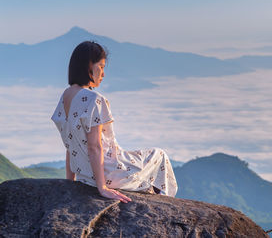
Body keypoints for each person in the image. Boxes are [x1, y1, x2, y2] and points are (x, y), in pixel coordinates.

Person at [51, 41, 178, 203]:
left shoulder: (65, 97)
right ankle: (163, 203)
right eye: (101, 67)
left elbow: (71, 145)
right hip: (109, 172)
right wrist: (102, 187)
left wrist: (71, 181)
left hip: (85, 175)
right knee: (159, 155)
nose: (103, 74)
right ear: (89, 65)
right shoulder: (94, 100)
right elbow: (94, 147)